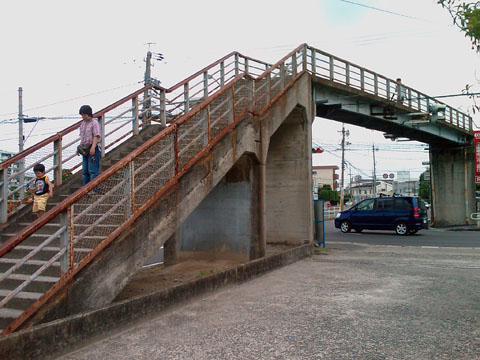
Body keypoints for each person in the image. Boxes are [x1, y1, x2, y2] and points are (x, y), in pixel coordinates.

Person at [77, 105, 101, 186]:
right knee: (85, 171)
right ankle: (85, 189)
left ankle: (93, 189)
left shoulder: (94, 123)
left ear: (89, 114)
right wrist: (79, 148)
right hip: (85, 148)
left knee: (93, 170)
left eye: (84, 115)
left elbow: (96, 136)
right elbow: (82, 137)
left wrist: (93, 147)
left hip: (93, 147)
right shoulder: (83, 124)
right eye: (82, 115)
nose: (83, 117)